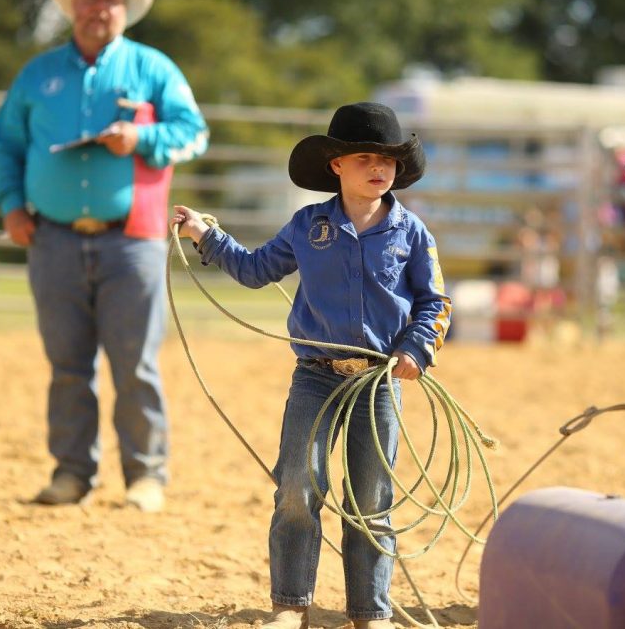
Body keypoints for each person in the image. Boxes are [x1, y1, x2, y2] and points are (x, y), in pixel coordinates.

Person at [171, 102, 451, 629]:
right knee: (298, 486)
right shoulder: (309, 224)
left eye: (388, 159)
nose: (379, 168)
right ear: (336, 166)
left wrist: (415, 350)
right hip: (316, 374)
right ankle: (290, 606)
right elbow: (256, 270)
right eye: (365, 157)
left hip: (378, 379)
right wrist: (206, 235)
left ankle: (370, 612)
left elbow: (435, 302)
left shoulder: (412, 233)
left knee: (372, 496)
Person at [0, 0, 209, 512]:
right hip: (52, 236)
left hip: (130, 237)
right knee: (67, 364)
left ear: (125, 8)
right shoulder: (37, 75)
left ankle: (146, 475)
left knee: (135, 362)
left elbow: (193, 133)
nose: (100, 8)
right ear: (73, 6)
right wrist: (11, 205)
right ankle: (71, 474)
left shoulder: (154, 69)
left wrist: (142, 140)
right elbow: (5, 146)